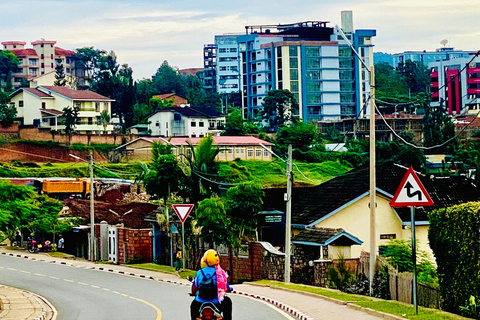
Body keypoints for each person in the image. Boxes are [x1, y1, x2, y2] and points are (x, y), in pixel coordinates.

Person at [190, 249, 232, 320]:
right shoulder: (221, 273)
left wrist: (193, 293)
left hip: (200, 302)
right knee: (228, 302)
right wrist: (230, 289)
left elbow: (195, 286)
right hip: (216, 303)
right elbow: (225, 286)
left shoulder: (200, 272)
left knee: (193, 307)